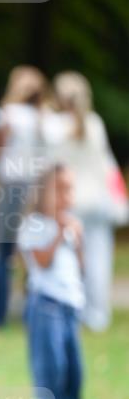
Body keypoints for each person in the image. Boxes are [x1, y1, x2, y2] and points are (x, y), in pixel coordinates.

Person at [17, 163, 92, 399]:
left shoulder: (72, 224)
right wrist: (60, 233)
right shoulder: (35, 224)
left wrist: (79, 239)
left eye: (69, 190)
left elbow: (80, 268)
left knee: (74, 367)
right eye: (59, 190)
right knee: (52, 367)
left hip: (70, 303)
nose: (66, 196)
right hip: (46, 304)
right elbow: (42, 261)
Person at [52, 71, 126, 332]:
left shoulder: (54, 126)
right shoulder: (94, 123)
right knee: (98, 258)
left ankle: (75, 309)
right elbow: (107, 165)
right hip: (98, 201)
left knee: (70, 259)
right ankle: (98, 314)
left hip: (70, 201)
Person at [0, 66, 60, 327]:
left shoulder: (10, 115)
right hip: (40, 187)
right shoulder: (50, 118)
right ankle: (34, 311)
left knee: (3, 250)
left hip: (13, 185)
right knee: (34, 247)